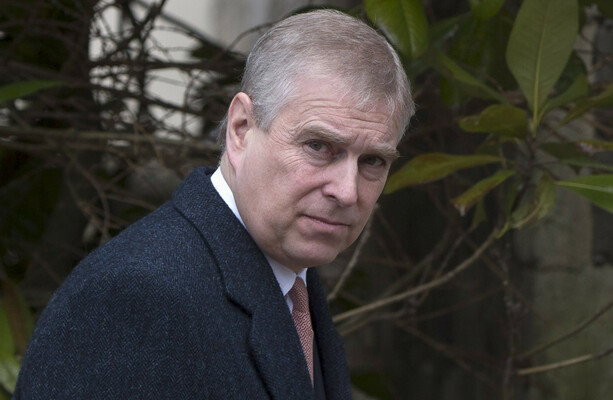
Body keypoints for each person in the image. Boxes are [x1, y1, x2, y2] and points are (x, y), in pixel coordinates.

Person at [13, 9, 414, 400]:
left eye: (373, 161)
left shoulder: (292, 283)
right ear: (240, 129)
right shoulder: (136, 297)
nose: (347, 191)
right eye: (318, 146)